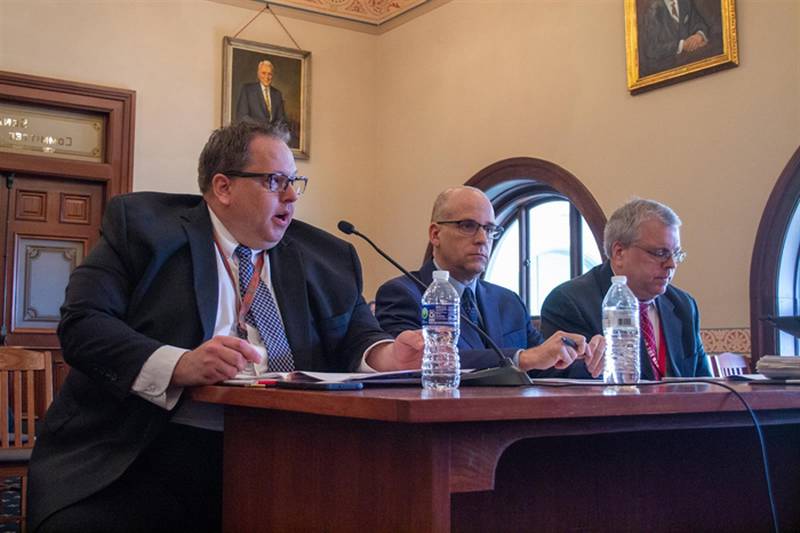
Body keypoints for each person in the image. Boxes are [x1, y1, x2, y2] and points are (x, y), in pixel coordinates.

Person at [27, 121, 423, 532]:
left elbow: (356, 334)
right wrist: (179, 365)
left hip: (289, 451)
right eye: (275, 181)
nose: (291, 196)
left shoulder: (327, 255)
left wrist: (389, 354)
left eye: (295, 182)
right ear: (223, 188)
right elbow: (84, 324)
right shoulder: (142, 229)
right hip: (147, 449)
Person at [375, 186, 605, 376]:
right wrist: (522, 358)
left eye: (489, 229)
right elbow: (419, 362)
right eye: (468, 226)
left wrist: (586, 359)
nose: (482, 239)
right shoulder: (401, 294)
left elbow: (541, 364)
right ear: (435, 234)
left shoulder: (508, 301)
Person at [540, 198, 712, 379]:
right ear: (619, 253)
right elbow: (566, 383)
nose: (671, 264)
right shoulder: (570, 301)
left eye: (676, 254)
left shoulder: (683, 305)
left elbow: (706, 384)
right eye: (660, 253)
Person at [639, 0, 711, 76]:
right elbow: (652, 49)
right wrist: (681, 45)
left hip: (692, 66)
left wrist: (699, 35)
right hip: (666, 71)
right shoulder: (653, 9)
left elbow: (700, 23)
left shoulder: (685, 2)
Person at [235, 59, 286, 125]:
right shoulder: (247, 90)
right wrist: (263, 127)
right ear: (258, 74)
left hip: (272, 134)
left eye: (269, 74)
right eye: (263, 73)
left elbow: (281, 119)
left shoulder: (277, 94)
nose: (266, 77)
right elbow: (242, 117)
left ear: (272, 75)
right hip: (253, 133)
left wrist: (273, 131)